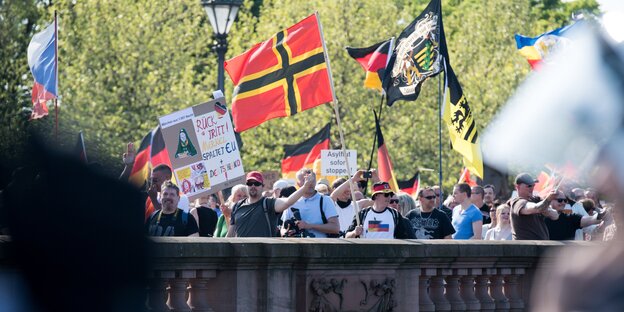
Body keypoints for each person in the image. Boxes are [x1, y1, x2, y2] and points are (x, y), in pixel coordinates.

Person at [227, 171, 312, 237]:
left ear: (262, 186)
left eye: (256, 183)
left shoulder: (268, 203)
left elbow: (288, 201)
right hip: (241, 257)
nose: (253, 186)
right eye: (249, 183)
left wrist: (305, 187)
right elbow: (230, 235)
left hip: (263, 257)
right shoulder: (237, 205)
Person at [281, 169, 340, 238]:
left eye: (312, 180)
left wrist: (309, 226)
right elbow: (283, 228)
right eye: (305, 180)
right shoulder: (291, 200)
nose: (309, 183)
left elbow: (335, 228)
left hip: (320, 246)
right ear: (298, 183)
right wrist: (286, 233)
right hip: (296, 247)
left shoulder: (325, 200)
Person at [345, 182, 414, 239]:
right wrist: (354, 232)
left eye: (390, 194)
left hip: (389, 254)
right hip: (366, 254)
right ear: (376, 196)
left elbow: (403, 238)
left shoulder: (395, 214)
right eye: (386, 194)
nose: (389, 197)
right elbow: (347, 236)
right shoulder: (363, 213)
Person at [508, 173, 559, 240]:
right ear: (518, 187)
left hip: (540, 246)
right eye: (529, 186)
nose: (532, 188)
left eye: (533, 185)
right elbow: (536, 208)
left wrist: (545, 209)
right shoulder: (517, 202)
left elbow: (555, 216)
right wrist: (548, 200)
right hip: (525, 247)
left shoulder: (536, 199)